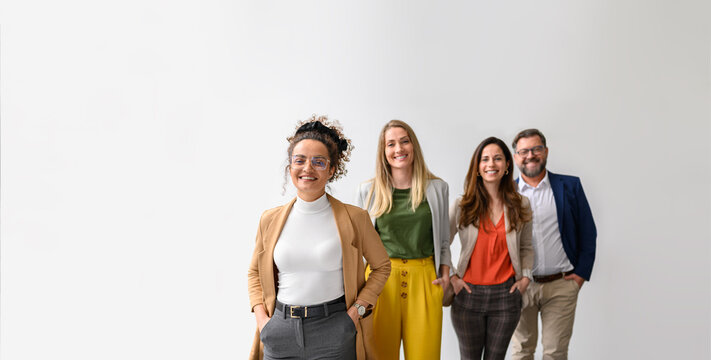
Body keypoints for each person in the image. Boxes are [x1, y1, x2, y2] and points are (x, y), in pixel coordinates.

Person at [247, 116, 391, 360]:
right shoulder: (269, 220)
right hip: (279, 331)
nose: (307, 168)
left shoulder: (355, 218)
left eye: (319, 162)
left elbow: (381, 266)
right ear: (290, 166)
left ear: (332, 169)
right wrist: (263, 321)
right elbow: (253, 273)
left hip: (334, 331)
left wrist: (356, 312)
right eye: (299, 160)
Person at [355, 120, 451, 360]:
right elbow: (358, 245)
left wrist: (446, 274)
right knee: (379, 354)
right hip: (380, 281)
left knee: (425, 355)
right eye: (391, 144)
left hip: (426, 279)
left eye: (404, 141)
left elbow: (443, 241)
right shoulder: (369, 191)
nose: (399, 149)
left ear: (413, 146)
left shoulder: (438, 188)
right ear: (384, 152)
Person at [509, 129, 597, 360]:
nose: (530, 155)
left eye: (536, 149)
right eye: (523, 151)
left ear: (545, 151)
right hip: (521, 286)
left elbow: (588, 232)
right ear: (516, 157)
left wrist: (580, 275)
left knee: (555, 352)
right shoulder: (508, 194)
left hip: (561, 285)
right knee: (521, 351)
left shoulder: (570, 186)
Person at [445, 136, 533, 360]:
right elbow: (440, 243)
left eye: (497, 158)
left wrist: (525, 278)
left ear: (506, 166)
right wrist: (453, 277)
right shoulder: (462, 205)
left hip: (506, 296)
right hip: (468, 296)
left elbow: (526, 247)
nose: (491, 164)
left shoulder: (521, 204)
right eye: (485, 159)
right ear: (477, 167)